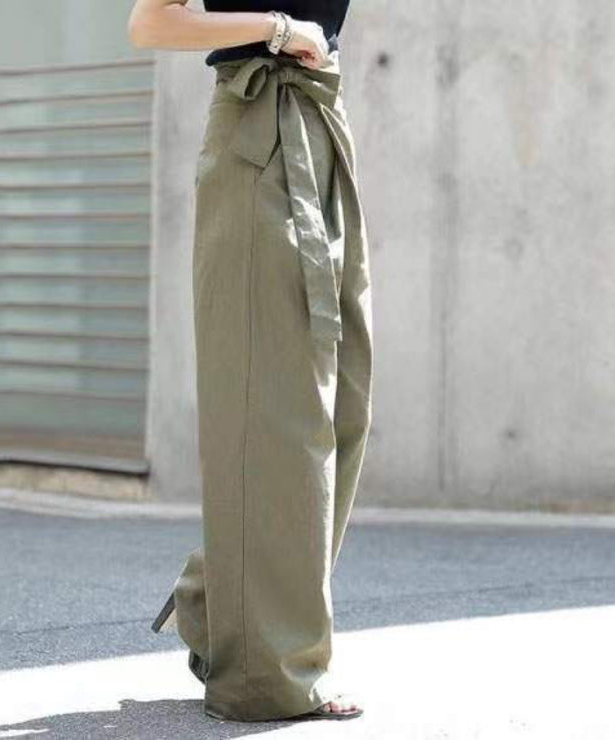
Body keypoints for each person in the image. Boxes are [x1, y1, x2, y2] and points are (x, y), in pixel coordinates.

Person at [128, 0, 373, 723]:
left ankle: (217, 602)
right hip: (255, 135)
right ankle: (267, 672)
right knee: (275, 413)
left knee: (344, 403)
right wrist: (275, 29)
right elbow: (150, 22)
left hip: (321, 122)